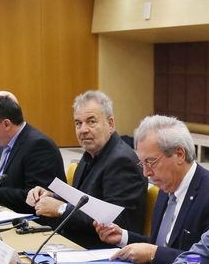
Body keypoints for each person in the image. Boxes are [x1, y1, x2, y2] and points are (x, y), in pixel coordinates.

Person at [95, 115, 209, 264]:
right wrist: (123, 237)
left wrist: (153, 253)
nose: (146, 173)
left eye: (151, 162)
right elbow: (160, 245)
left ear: (179, 154)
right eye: (142, 163)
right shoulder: (166, 185)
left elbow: (207, 262)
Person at [26, 90, 146, 249]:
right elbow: (84, 201)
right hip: (76, 243)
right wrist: (52, 196)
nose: (83, 130)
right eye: (78, 123)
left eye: (91, 122)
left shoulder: (121, 161)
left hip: (103, 252)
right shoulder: (91, 154)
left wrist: (60, 208)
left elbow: (116, 223)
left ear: (110, 124)